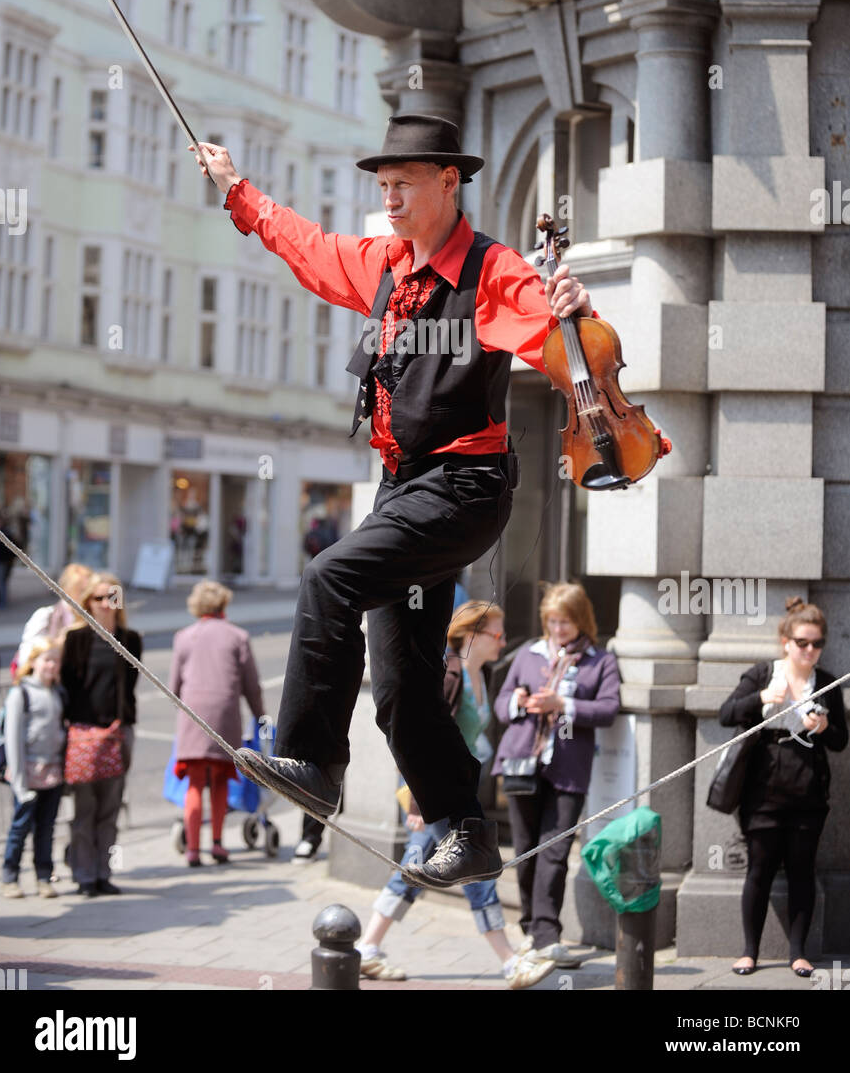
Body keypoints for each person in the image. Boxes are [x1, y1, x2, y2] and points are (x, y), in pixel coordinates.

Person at [195, 113, 594, 888]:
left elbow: (569, 351)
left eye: (403, 184)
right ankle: (465, 829)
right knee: (402, 680)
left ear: (448, 181)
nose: (390, 200)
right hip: (402, 487)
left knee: (328, 577)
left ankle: (313, 760)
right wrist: (235, 189)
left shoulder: (494, 272)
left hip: (465, 484)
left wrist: (578, 311)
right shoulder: (382, 263)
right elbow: (305, 246)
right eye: (382, 186)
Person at [356, 600, 555, 988]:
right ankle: (510, 961)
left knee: (416, 869)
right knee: (476, 871)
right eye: (496, 634)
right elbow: (419, 741)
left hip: (455, 792)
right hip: (434, 796)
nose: (502, 642)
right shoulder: (449, 674)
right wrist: (417, 802)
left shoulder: (481, 674)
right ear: (470, 635)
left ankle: (367, 947)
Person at [719, 596, 848, 978]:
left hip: (808, 788)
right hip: (762, 786)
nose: (810, 650)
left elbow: (841, 740)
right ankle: (749, 951)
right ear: (786, 641)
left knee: (801, 869)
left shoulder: (826, 683)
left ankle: (798, 953)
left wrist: (825, 729)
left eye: (817, 644)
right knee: (758, 869)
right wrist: (760, 698)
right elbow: (726, 714)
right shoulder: (762, 674)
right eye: (802, 642)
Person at [493, 582, 620, 961]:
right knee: (526, 850)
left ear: (582, 621)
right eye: (552, 621)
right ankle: (531, 927)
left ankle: (547, 934)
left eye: (565, 621)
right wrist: (517, 701)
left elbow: (608, 709)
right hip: (521, 764)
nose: (558, 629)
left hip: (568, 769)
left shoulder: (601, 661)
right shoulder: (528, 655)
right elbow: (500, 705)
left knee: (555, 850)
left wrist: (562, 703)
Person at [169, 580, 265, 866]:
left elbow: (174, 685)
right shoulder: (238, 636)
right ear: (224, 603)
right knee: (221, 780)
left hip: (193, 714)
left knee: (196, 784)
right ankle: (219, 844)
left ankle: (193, 850)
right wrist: (260, 715)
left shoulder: (183, 637)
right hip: (224, 713)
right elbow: (252, 685)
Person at [61, 572, 141, 897]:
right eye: (98, 598)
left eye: (112, 597)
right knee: (83, 811)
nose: (106, 604)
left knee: (110, 809)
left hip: (118, 734)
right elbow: (68, 687)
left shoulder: (130, 639)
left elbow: (130, 686)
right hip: (83, 735)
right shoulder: (75, 639)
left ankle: (103, 872)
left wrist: (117, 724)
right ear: (87, 603)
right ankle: (83, 875)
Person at [1, 638, 66, 899]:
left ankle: (43, 876)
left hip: (52, 773)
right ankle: (10, 877)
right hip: (26, 774)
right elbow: (14, 740)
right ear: (33, 662)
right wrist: (19, 783)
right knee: (20, 827)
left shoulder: (58, 693)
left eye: (55, 660)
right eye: (46, 659)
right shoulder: (21, 693)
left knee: (46, 829)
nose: (51, 665)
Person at [15, 564, 93, 671]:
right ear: (67, 589)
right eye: (81, 590)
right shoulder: (45, 615)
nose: (87, 595)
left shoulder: (94, 619)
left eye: (90, 591)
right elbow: (26, 656)